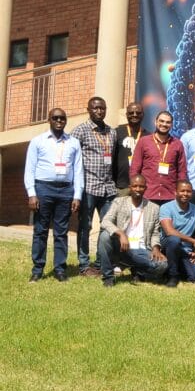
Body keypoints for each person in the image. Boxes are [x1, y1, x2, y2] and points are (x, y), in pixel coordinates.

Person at [25, 108, 83, 282]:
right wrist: (32, 194)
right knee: (40, 231)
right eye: (55, 118)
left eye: (62, 118)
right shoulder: (38, 141)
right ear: (49, 120)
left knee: (61, 232)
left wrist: (77, 195)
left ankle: (60, 269)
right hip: (43, 189)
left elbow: (78, 170)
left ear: (66, 121)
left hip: (66, 190)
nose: (59, 121)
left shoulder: (73, 142)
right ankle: (37, 269)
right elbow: (30, 169)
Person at [70, 96, 117, 276]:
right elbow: (71, 159)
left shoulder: (111, 132)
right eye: (95, 108)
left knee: (107, 227)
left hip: (108, 188)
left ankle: (99, 263)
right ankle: (83, 265)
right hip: (89, 187)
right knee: (85, 226)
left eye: (102, 108)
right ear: (88, 110)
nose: (99, 111)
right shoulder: (80, 131)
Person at [97, 174, 168, 287]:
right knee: (105, 236)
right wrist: (121, 234)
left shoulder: (153, 208)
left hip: (141, 249)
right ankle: (108, 277)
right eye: (135, 186)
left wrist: (156, 248)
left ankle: (139, 271)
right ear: (130, 187)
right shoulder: (119, 202)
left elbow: (155, 232)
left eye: (141, 186)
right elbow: (105, 221)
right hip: (122, 247)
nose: (138, 189)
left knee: (162, 265)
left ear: (146, 188)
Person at [129, 110, 186, 205]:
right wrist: (135, 190)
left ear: (171, 125)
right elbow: (135, 168)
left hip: (169, 196)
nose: (164, 124)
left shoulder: (178, 144)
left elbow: (182, 171)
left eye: (168, 122)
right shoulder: (144, 142)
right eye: (161, 121)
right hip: (147, 195)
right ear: (156, 122)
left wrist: (179, 191)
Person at [159, 180, 195, 286]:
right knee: (174, 240)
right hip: (168, 245)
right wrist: (193, 241)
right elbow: (169, 231)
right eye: (182, 191)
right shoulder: (166, 207)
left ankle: (177, 267)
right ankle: (172, 276)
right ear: (175, 192)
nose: (185, 194)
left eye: (188, 191)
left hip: (186, 250)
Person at [113, 101, 148, 197]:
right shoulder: (116, 132)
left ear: (143, 115)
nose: (135, 115)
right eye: (131, 113)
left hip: (141, 187)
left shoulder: (148, 136)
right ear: (126, 115)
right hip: (121, 186)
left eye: (138, 113)